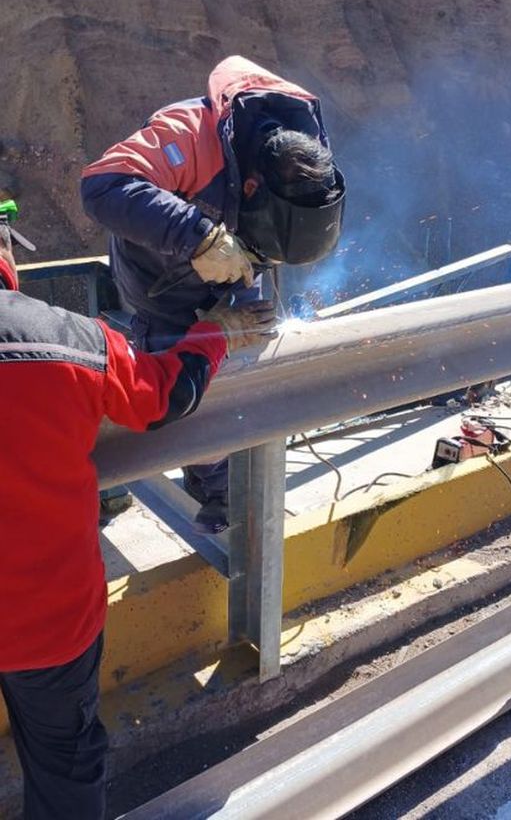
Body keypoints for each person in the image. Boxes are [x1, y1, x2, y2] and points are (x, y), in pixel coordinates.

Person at [0, 200, 275, 819]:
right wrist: (218, 335)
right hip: (48, 623)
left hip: (47, 621)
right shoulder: (70, 337)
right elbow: (161, 396)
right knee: (64, 764)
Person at [80, 56, 346, 533]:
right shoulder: (188, 134)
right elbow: (104, 185)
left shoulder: (306, 151)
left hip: (244, 266)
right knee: (179, 395)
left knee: (244, 380)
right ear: (250, 187)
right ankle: (205, 476)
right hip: (163, 286)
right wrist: (199, 237)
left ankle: (228, 498)